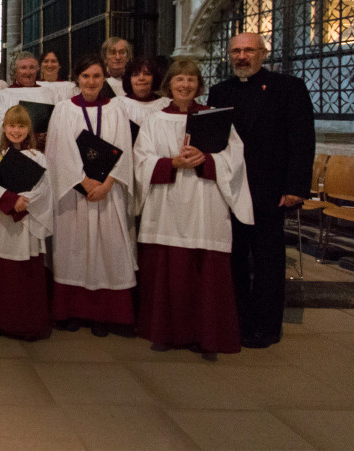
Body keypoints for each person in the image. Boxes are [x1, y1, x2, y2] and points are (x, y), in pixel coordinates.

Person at [134, 58, 253, 356]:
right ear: (169, 85)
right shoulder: (155, 119)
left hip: (205, 201)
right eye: (179, 80)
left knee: (205, 269)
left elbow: (235, 159)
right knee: (168, 266)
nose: (185, 85)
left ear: (199, 85)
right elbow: (141, 160)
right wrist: (172, 163)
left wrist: (208, 159)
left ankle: (206, 334)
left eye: (190, 80)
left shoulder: (216, 117)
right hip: (167, 202)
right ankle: (165, 332)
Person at [208, 32, 314, 349]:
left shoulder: (288, 88)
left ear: (263, 54)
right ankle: (237, 321)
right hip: (229, 191)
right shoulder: (219, 91)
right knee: (234, 260)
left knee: (268, 263)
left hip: (270, 191)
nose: (242, 56)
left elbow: (303, 141)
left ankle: (266, 327)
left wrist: (296, 187)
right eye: (236, 51)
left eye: (249, 50)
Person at [45, 54, 135, 337]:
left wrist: (107, 183)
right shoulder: (63, 109)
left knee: (108, 251)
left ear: (104, 79)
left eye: (97, 76)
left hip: (107, 194)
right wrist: (83, 181)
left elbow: (124, 149)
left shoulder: (116, 110)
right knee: (74, 250)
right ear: (77, 79)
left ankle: (104, 315)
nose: (92, 82)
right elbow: (58, 150)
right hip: (75, 193)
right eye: (86, 76)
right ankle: (70, 311)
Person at [0, 105, 53, 341]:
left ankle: (23, 322)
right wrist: (11, 201)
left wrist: (24, 202)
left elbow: (44, 189)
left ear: (29, 129)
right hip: (0, 221)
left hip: (25, 222)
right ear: (4, 127)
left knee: (22, 276)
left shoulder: (39, 156)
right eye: (12, 125)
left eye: (21, 126)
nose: (16, 130)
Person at [0, 52, 70, 150]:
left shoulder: (48, 93)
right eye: (23, 68)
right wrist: (24, 136)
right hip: (14, 150)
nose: (28, 72)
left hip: (43, 150)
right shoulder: (4, 95)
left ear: (37, 69)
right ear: (15, 71)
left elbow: (57, 122)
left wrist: (48, 135)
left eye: (32, 67)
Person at [118, 57, 169, 135]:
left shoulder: (166, 104)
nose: (141, 78)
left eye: (147, 74)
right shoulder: (118, 104)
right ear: (129, 79)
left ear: (154, 78)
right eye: (136, 75)